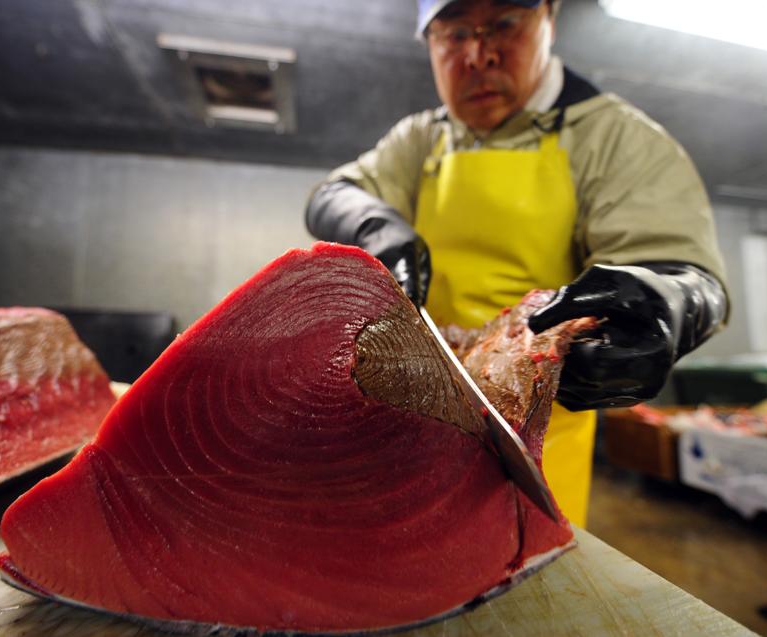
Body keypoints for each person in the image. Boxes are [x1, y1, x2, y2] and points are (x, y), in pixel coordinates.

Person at [304, 0, 729, 526]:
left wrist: (674, 304)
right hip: (415, 427)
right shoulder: (420, 140)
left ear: (549, 19)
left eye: (503, 23)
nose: (478, 55)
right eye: (455, 33)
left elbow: (682, 268)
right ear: (428, 42)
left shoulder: (611, 138)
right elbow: (333, 192)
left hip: (536, 452)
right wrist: (375, 226)